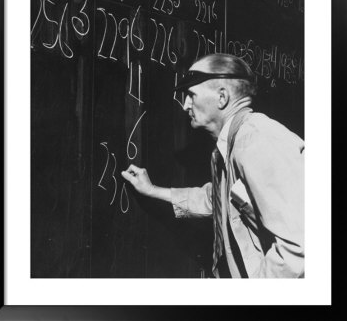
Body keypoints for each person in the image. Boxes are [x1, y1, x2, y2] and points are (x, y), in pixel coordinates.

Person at [122, 53, 304, 278]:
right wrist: (152, 191)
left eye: (191, 95)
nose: (185, 105)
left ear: (222, 97)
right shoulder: (232, 143)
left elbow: (298, 247)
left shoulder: (257, 139)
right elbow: (216, 200)